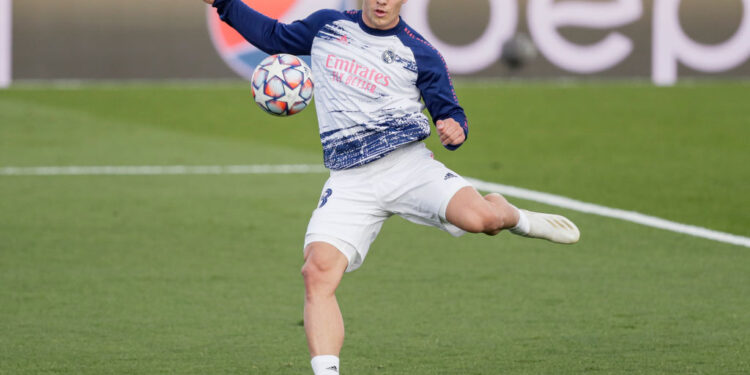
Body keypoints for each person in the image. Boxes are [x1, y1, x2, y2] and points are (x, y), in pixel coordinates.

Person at [204, 0, 580, 373]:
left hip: (408, 167)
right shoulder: (327, 27)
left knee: (482, 220)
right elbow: (274, 36)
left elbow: (449, 113)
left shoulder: (420, 52)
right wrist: (225, 3)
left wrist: (455, 129)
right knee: (317, 273)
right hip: (350, 180)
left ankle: (512, 215)